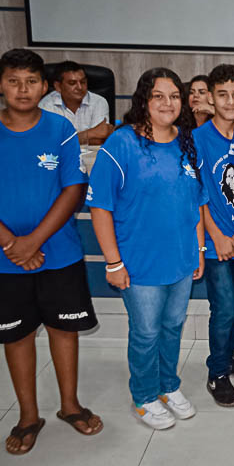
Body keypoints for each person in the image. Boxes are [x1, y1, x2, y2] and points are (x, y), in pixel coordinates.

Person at [0, 48, 100, 454]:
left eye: (32, 81)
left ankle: (70, 405)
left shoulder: (61, 130)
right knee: (16, 336)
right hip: (2, 258)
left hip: (58, 253)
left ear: (44, 86)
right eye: (14, 81)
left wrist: (33, 242)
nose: (23, 89)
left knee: (63, 329)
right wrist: (10, 243)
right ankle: (27, 415)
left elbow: (73, 189)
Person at [87, 68, 207, 429]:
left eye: (174, 96)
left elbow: (196, 201)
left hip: (181, 258)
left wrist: (199, 249)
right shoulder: (122, 143)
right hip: (139, 263)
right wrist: (112, 262)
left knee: (173, 326)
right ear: (144, 100)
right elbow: (100, 206)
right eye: (159, 96)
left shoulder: (188, 141)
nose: (168, 103)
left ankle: (168, 386)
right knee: (146, 331)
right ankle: (143, 395)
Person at [194, 64, 234, 407]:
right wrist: (218, 236)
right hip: (216, 240)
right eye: (222, 95)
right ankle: (217, 371)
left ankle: (228, 357)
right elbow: (198, 192)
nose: (230, 101)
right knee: (223, 308)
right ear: (211, 98)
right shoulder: (198, 139)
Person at [38, 60, 113, 148]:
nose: (80, 87)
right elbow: (49, 142)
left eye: (83, 82)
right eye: (72, 83)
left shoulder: (99, 102)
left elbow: (100, 139)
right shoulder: (46, 105)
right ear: (58, 86)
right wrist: (89, 134)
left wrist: (65, 140)